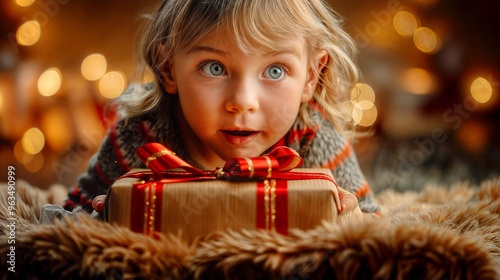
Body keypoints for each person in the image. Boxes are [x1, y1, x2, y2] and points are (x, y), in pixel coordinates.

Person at [63, 0, 380, 216]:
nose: (242, 101)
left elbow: (372, 226)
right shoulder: (139, 134)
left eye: (274, 71)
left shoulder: (313, 137)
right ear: (168, 67)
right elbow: (71, 218)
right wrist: (98, 218)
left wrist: (351, 218)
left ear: (311, 75)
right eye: (214, 67)